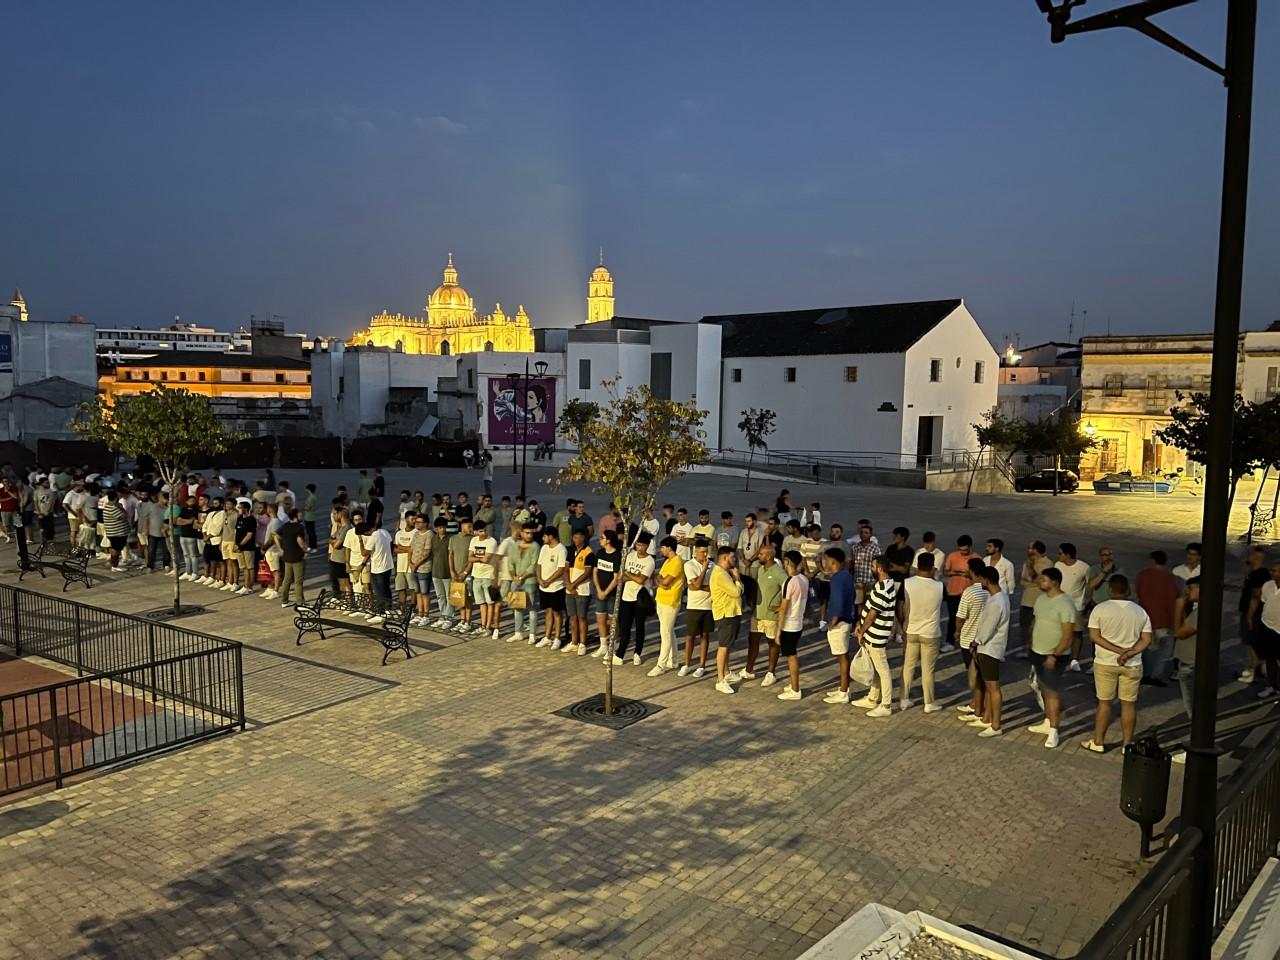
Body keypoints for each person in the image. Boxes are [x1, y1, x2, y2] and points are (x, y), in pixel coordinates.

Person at [1082, 575, 1154, 753]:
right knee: (1128, 704)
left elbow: (1095, 636)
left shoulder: (1100, 609)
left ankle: (1098, 742)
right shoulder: (1140, 612)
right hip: (1132, 664)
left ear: (1110, 590)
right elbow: (1146, 639)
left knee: (1104, 703)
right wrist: (1129, 652)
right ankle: (1127, 744)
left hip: (1105, 662)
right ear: (1128, 591)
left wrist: (1117, 651)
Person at [1027, 568, 1076, 749]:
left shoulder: (1065, 604)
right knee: (1043, 688)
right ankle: (1048, 720)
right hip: (1037, 651)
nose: (1040, 582)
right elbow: (1036, 621)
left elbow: (1068, 635)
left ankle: (1055, 729)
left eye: (1044, 580)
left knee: (1052, 691)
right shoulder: (1041, 599)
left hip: (1054, 655)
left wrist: (1054, 654)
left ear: (1054, 582)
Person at [967, 566, 1010, 737]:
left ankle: (996, 725)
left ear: (986, 580)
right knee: (988, 685)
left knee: (993, 687)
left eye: (981, 580)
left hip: (990, 648)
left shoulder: (996, 602)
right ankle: (987, 718)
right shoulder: (1001, 597)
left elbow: (988, 627)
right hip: (991, 647)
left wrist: (975, 642)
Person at [852, 557, 897, 717]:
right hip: (874, 633)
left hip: (876, 634)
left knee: (882, 670)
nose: (871, 568)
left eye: (872, 566)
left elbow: (872, 614)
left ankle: (886, 705)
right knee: (877, 669)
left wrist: (862, 630)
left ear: (879, 569)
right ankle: (872, 697)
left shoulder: (883, 588)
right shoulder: (884, 585)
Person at [901, 552, 944, 712]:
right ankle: (929, 702)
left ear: (917, 566)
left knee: (908, 666)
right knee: (928, 669)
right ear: (933, 567)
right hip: (931, 632)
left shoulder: (907, 583)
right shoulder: (939, 586)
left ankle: (904, 699)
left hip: (911, 629)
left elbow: (901, 606)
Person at [744, 540, 785, 683]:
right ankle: (749, 670)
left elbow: (788, 589)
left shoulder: (779, 572)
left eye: (761, 554)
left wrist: (780, 607)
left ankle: (771, 673)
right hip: (757, 613)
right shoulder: (761, 570)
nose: (758, 556)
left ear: (768, 557)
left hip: (771, 616)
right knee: (753, 640)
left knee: (772, 643)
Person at [1136, 550, 1179, 687]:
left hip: (1146, 617)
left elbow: (1139, 593)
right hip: (1164, 619)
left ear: (1153, 560)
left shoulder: (1143, 575)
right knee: (1163, 651)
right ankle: (1155, 675)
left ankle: (1144, 674)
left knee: (1146, 649)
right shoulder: (1171, 578)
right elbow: (1173, 600)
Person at [954, 557, 989, 721]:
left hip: (969, 639)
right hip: (985, 638)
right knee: (979, 675)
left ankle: (978, 710)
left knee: (975, 677)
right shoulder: (990, 590)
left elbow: (960, 617)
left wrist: (957, 632)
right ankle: (975, 703)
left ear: (973, 572)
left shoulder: (969, 592)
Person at [823, 547, 856, 704]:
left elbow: (837, 600)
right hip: (847, 620)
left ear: (832, 561)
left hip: (839, 622)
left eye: (826, 559)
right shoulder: (847, 576)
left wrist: (833, 621)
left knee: (842, 657)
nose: (825, 562)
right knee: (844, 655)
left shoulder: (836, 578)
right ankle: (843, 688)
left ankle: (844, 691)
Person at [773, 550, 808, 700]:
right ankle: (793, 684)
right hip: (798, 621)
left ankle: (795, 689)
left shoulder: (790, 581)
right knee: (791, 654)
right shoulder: (804, 579)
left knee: (791, 656)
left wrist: (778, 631)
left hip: (789, 624)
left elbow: (784, 608)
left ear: (787, 562)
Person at [616, 533, 655, 665]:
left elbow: (641, 580)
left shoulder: (650, 561)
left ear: (647, 546)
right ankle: (620, 654)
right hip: (627, 596)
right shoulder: (630, 556)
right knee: (625, 626)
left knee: (640, 626)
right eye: (638, 545)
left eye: (642, 545)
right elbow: (621, 577)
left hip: (640, 598)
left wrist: (627, 573)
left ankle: (637, 653)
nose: (639, 548)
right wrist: (631, 575)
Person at [710, 545, 745, 695]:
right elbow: (736, 592)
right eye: (732, 557)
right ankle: (720, 680)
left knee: (728, 644)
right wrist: (737, 578)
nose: (735, 560)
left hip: (732, 612)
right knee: (723, 646)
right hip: (725, 614)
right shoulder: (720, 574)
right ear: (725, 558)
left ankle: (726, 672)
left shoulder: (724, 572)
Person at [649, 535, 686, 675]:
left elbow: (664, 582)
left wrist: (661, 581)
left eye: (663, 548)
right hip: (661, 599)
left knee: (665, 633)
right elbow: (658, 577)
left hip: (671, 602)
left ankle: (661, 664)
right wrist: (661, 581)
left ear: (669, 548)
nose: (661, 550)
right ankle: (673, 660)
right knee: (669, 631)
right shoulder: (667, 561)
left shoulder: (677, 562)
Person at [680, 539, 713, 678]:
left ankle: (702, 665)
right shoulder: (689, 565)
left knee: (705, 635)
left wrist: (697, 586)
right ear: (695, 551)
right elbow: (696, 584)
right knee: (690, 636)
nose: (705, 555)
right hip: (694, 605)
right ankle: (686, 664)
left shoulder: (714, 566)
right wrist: (704, 569)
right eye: (702, 552)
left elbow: (711, 587)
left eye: (706, 552)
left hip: (708, 606)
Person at [1055, 542, 1091, 671]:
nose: (1058, 556)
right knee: (1060, 632)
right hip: (1060, 605)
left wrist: (1087, 602)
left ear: (1068, 555)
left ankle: (1075, 660)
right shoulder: (1057, 565)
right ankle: (1059, 656)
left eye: (1060, 553)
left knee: (1077, 633)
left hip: (1077, 606)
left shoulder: (1084, 567)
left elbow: (1089, 585)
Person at [1247, 562, 1280, 699]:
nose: (1271, 573)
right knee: (1270, 659)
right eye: (1271, 570)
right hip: (1268, 627)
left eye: (1275, 571)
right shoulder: (1268, 585)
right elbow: (1261, 602)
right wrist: (1250, 617)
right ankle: (1272, 686)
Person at [1238, 547, 1271, 684]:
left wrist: (1250, 616)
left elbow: (1255, 596)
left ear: (1256, 557)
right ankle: (1254, 668)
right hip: (1251, 612)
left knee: (1252, 642)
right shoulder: (1254, 573)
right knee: (1251, 642)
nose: (1248, 556)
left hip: (1253, 613)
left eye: (1250, 554)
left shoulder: (1259, 575)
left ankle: (1254, 670)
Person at [1017, 541, 1053, 657]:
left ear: (1036, 550)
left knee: (1038, 627)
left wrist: (1031, 569)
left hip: (1040, 600)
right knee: (1025, 626)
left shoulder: (1047, 563)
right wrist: (1034, 582)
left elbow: (1041, 581)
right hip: (1026, 600)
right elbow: (1022, 581)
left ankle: (1037, 651)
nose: (1028, 550)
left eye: (1030, 548)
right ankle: (1026, 650)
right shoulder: (1027, 562)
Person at [506, 522, 540, 643]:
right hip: (516, 580)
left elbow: (533, 565)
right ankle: (518, 632)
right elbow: (510, 562)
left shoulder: (535, 546)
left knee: (531, 608)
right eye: (527, 533)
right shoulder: (515, 545)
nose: (529, 535)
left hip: (529, 581)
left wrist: (521, 578)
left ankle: (532, 634)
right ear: (521, 533)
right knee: (517, 607)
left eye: (531, 533)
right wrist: (514, 576)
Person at [1173, 577, 1201, 725]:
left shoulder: (1200, 614)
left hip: (1190, 663)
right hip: (1190, 661)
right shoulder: (1197, 610)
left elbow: (1178, 632)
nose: (1187, 592)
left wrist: (1179, 607)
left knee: (1191, 705)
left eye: (1191, 589)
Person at [588, 529, 620, 657]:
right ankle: (603, 645)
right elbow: (595, 572)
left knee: (613, 620)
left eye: (602, 537)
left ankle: (613, 646)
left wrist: (606, 591)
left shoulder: (617, 555)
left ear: (609, 540)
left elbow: (616, 577)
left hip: (611, 594)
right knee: (600, 618)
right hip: (599, 592)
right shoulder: (600, 553)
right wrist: (599, 590)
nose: (600, 539)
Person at [467, 519, 500, 639]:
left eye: (485, 530)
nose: (484, 533)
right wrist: (479, 559)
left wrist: (476, 558)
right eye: (481, 531)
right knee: (481, 603)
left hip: (488, 575)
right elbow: (469, 558)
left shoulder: (491, 541)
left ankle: (488, 627)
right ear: (476, 532)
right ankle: (482, 625)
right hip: (477, 575)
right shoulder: (473, 540)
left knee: (490, 602)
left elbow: (487, 559)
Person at [536, 527, 568, 650]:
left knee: (557, 613)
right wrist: (540, 579)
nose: (543, 538)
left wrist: (549, 580)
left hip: (556, 587)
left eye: (544, 536)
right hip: (543, 587)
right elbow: (539, 565)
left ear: (551, 536)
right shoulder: (544, 548)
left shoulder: (561, 550)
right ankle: (547, 637)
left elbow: (561, 569)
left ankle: (557, 638)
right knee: (548, 612)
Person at [565, 528, 594, 655]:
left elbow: (587, 573)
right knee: (572, 617)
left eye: (578, 537)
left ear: (583, 538)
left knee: (582, 617)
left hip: (582, 590)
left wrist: (574, 585)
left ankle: (582, 644)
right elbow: (566, 569)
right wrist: (568, 584)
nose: (576, 540)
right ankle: (574, 642)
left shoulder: (589, 553)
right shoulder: (570, 551)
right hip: (570, 589)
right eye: (574, 537)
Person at [275, 508, 308, 607]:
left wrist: (280, 547)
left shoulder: (285, 526)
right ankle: (300, 602)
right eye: (300, 515)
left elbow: (276, 535)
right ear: (295, 516)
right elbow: (300, 541)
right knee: (298, 580)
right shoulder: (299, 527)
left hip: (287, 556)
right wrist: (306, 550)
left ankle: (284, 601)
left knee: (287, 579)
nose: (301, 517)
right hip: (297, 556)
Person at [448, 517, 475, 634]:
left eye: (471, 527)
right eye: (468, 526)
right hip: (455, 573)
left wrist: (465, 572)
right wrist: (452, 571)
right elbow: (450, 555)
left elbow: (472, 559)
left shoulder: (473, 540)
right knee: (459, 597)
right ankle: (462, 620)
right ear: (462, 526)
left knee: (467, 598)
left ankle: (468, 622)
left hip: (467, 574)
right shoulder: (453, 538)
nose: (470, 529)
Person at [362, 521, 396, 607]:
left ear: (366, 532)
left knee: (379, 592)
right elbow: (391, 543)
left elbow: (364, 553)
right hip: (388, 566)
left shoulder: (373, 538)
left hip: (378, 569)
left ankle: (381, 611)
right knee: (386, 588)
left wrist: (360, 541)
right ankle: (389, 608)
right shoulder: (384, 532)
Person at [428, 517, 454, 629]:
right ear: (436, 528)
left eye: (443, 527)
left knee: (449, 596)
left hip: (447, 572)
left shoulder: (450, 539)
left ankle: (449, 618)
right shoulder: (434, 539)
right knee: (440, 596)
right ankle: (442, 616)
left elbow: (452, 555)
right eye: (439, 528)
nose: (442, 529)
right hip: (436, 571)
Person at [849, 525, 881, 607]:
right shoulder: (855, 547)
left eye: (866, 533)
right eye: (861, 533)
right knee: (858, 604)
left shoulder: (875, 548)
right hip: (858, 581)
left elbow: (878, 564)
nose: (863, 535)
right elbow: (852, 563)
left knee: (869, 604)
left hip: (871, 580)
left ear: (871, 535)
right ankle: (859, 619)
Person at [234, 498, 257, 595]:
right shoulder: (239, 518)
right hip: (239, 547)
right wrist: (235, 544)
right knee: (243, 568)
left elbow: (249, 535)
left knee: (250, 567)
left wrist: (240, 544)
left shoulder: (251, 520)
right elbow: (237, 532)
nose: (238, 509)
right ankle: (245, 585)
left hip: (248, 547)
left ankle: (250, 586)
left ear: (246, 509)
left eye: (240, 508)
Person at [393, 512, 418, 607]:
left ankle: (412, 607)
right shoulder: (399, 533)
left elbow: (413, 549)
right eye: (412, 519)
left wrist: (401, 547)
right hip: (400, 566)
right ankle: (402, 607)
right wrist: (407, 549)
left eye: (415, 519)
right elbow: (395, 549)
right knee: (401, 589)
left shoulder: (416, 533)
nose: (414, 521)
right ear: (406, 519)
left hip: (410, 566)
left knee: (413, 589)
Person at [328, 506, 352, 595]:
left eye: (334, 514)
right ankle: (345, 601)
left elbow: (337, 545)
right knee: (341, 582)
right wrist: (333, 541)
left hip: (341, 560)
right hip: (335, 559)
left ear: (340, 514)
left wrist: (333, 542)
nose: (333, 517)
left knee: (345, 582)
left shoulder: (346, 528)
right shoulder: (340, 527)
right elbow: (332, 538)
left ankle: (349, 603)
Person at [302, 484, 319, 551]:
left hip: (309, 517)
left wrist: (304, 508)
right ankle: (311, 546)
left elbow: (308, 508)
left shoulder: (311, 498)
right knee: (310, 532)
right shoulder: (313, 497)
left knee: (311, 533)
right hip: (311, 516)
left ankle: (313, 546)